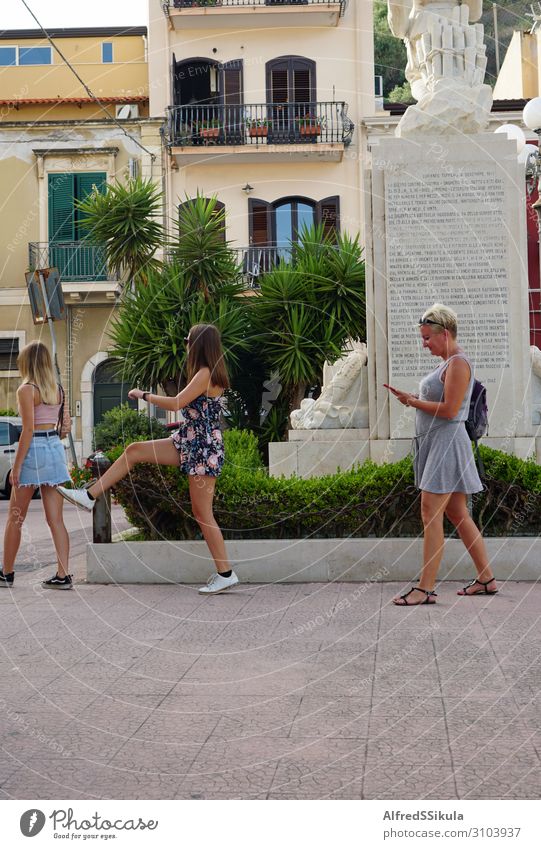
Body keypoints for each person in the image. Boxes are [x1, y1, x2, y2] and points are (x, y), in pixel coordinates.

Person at [57, 324, 238, 595]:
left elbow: (176, 403)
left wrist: (143, 395)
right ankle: (90, 496)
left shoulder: (204, 373)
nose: (186, 344)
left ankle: (226, 573)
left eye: (188, 340)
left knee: (203, 513)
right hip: (189, 440)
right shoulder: (205, 373)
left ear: (199, 345)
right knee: (135, 450)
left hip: (201, 447)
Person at [384, 304, 498, 605]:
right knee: (457, 513)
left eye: (426, 338)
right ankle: (486, 579)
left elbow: (449, 411)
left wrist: (413, 401)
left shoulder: (458, 363)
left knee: (429, 512)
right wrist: (414, 399)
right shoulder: (447, 363)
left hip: (447, 443)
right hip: (440, 443)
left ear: (444, 333)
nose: (424, 344)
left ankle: (425, 588)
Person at [0, 341, 72, 590]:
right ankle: (63, 575)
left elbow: (28, 430)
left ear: (27, 362)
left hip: (34, 451)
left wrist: (17, 467)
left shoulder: (26, 389)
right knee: (56, 520)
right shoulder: (58, 390)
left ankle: (6, 573)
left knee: (15, 518)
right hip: (53, 449)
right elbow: (63, 429)